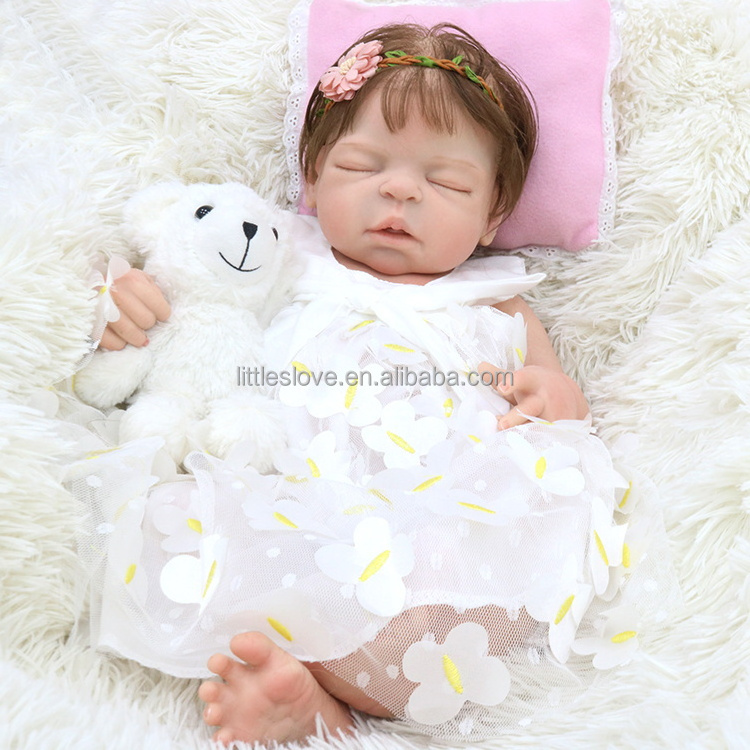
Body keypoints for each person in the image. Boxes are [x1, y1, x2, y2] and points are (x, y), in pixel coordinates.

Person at [79, 22, 670, 747]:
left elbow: (554, 393)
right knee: (191, 522)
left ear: (492, 214)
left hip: (441, 519)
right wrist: (128, 300)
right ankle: (315, 700)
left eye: (446, 182)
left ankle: (341, 701)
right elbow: (187, 287)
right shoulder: (279, 256)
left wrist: (551, 396)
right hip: (297, 495)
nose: (398, 189)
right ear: (313, 178)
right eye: (362, 165)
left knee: (473, 563)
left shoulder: (496, 299)